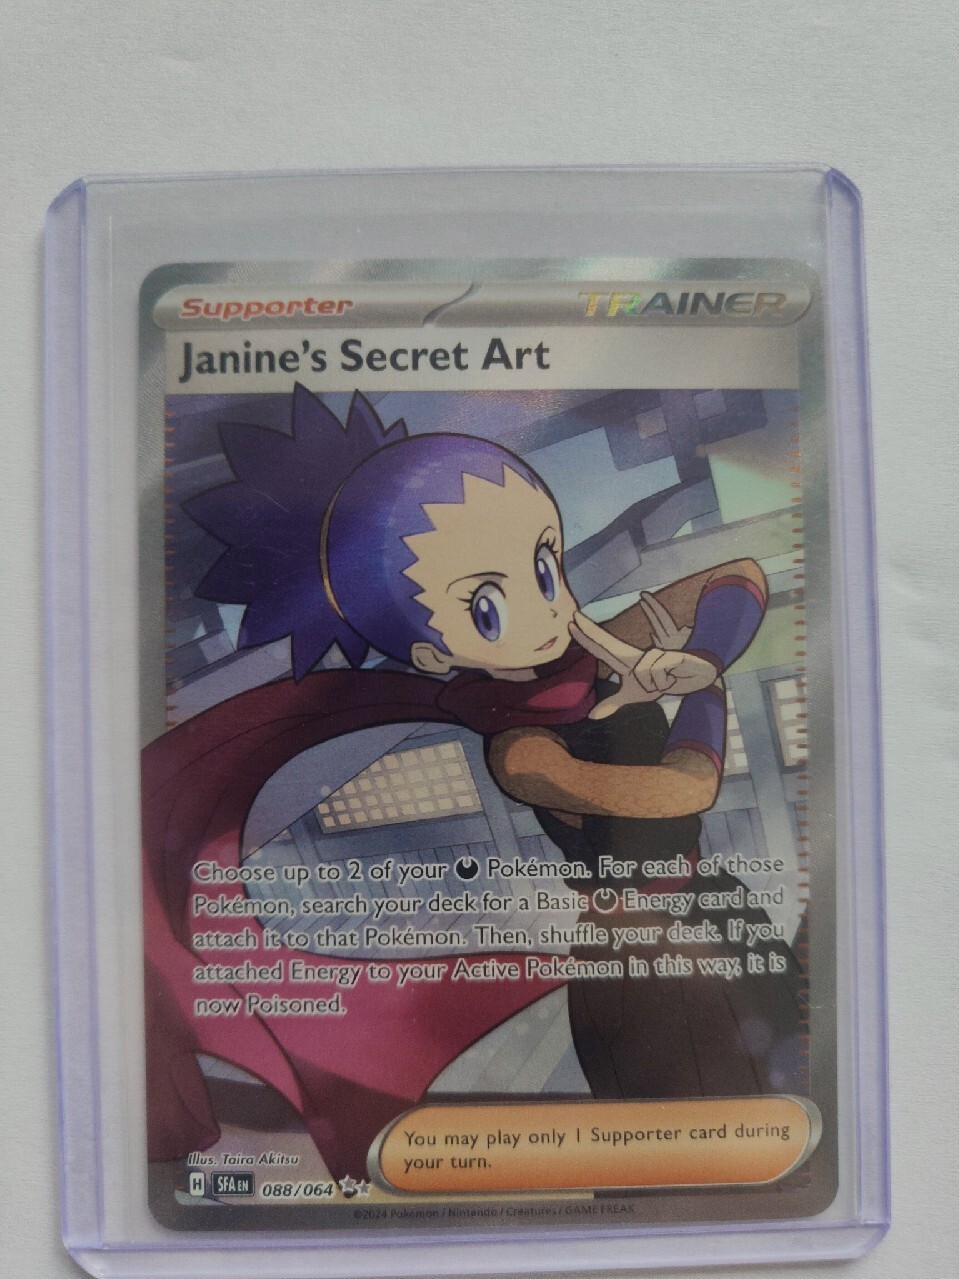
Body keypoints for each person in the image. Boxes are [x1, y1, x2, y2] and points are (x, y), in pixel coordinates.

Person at [144, 385, 798, 1179]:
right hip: (640, 955)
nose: (547, 605)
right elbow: (683, 790)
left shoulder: (590, 657)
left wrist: (698, 653)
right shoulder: (521, 750)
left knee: (780, 1112)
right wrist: (703, 688)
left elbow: (737, 576)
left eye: (543, 564)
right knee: (682, 1155)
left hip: (714, 913)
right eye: (489, 607)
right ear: (433, 653)